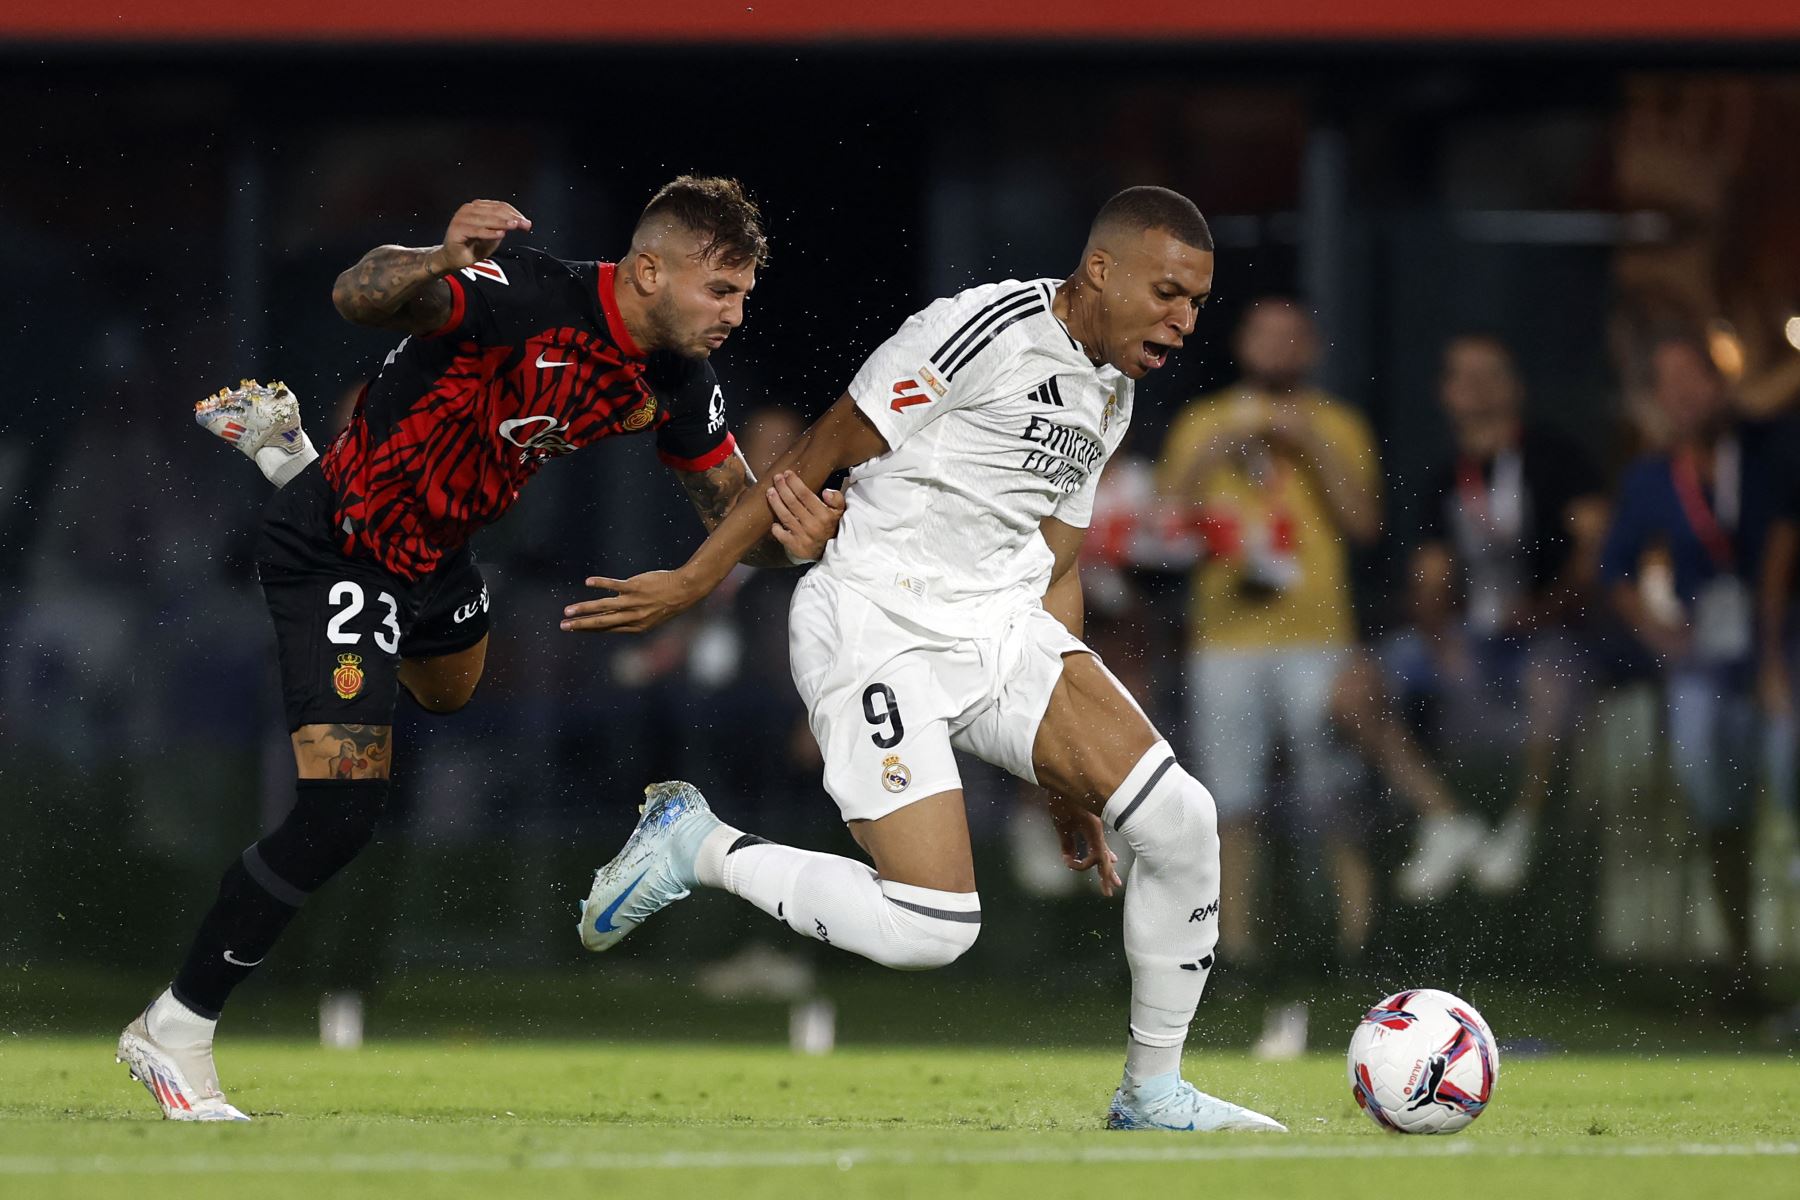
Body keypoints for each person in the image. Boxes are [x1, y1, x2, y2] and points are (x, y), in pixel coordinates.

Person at [564, 185, 1286, 1133]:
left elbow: (1057, 561)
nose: (1184, 322)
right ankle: (699, 847)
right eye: (1167, 294)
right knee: (933, 930)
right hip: (877, 621)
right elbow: (824, 445)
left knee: (1184, 823)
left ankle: (1152, 1092)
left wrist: (1063, 782)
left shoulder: (1112, 389)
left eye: (1196, 302)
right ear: (1100, 270)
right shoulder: (983, 328)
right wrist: (697, 578)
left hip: (998, 628)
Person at [117, 180, 845, 1120]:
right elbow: (357, 293)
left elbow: (727, 506)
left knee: (452, 692)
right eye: (723, 292)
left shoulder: (674, 377)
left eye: (745, 295)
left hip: (439, 553)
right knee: (342, 811)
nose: (737, 316)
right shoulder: (522, 291)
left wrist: (802, 528)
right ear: (652, 269)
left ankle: (294, 452)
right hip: (337, 546)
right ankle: (174, 1028)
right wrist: (436, 257)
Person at [1154, 299, 1380, 971]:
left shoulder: (1336, 423)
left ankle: (1353, 941)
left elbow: (1365, 524)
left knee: (1334, 792)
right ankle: (1238, 950)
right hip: (1226, 636)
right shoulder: (1205, 422)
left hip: (1317, 633)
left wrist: (1311, 448)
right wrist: (1212, 457)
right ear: (1244, 344)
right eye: (1265, 333)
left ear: (1311, 347)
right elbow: (1165, 523)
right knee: (1231, 802)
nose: (1278, 347)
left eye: (1292, 336)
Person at [1365, 334, 1609, 899]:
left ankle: (1524, 826)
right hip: (1471, 635)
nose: (1474, 386)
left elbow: (1594, 547)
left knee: (1552, 677)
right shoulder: (1446, 476)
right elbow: (1428, 575)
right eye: (1462, 375)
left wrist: (1544, 610)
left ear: (1515, 387)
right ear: (1445, 393)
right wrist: (1436, 632)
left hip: (1547, 632)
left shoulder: (1556, 456)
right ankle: (1445, 818)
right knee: (1356, 685)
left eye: (1489, 374)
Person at [1600, 332, 1782, 1008]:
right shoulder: (1651, 476)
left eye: (1693, 379)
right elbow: (1614, 568)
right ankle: (1740, 966)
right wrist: (1654, 629)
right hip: (1705, 655)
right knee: (1716, 803)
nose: (1679, 395)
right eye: (1666, 383)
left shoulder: (1767, 452)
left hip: (1783, 645)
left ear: (1723, 383)